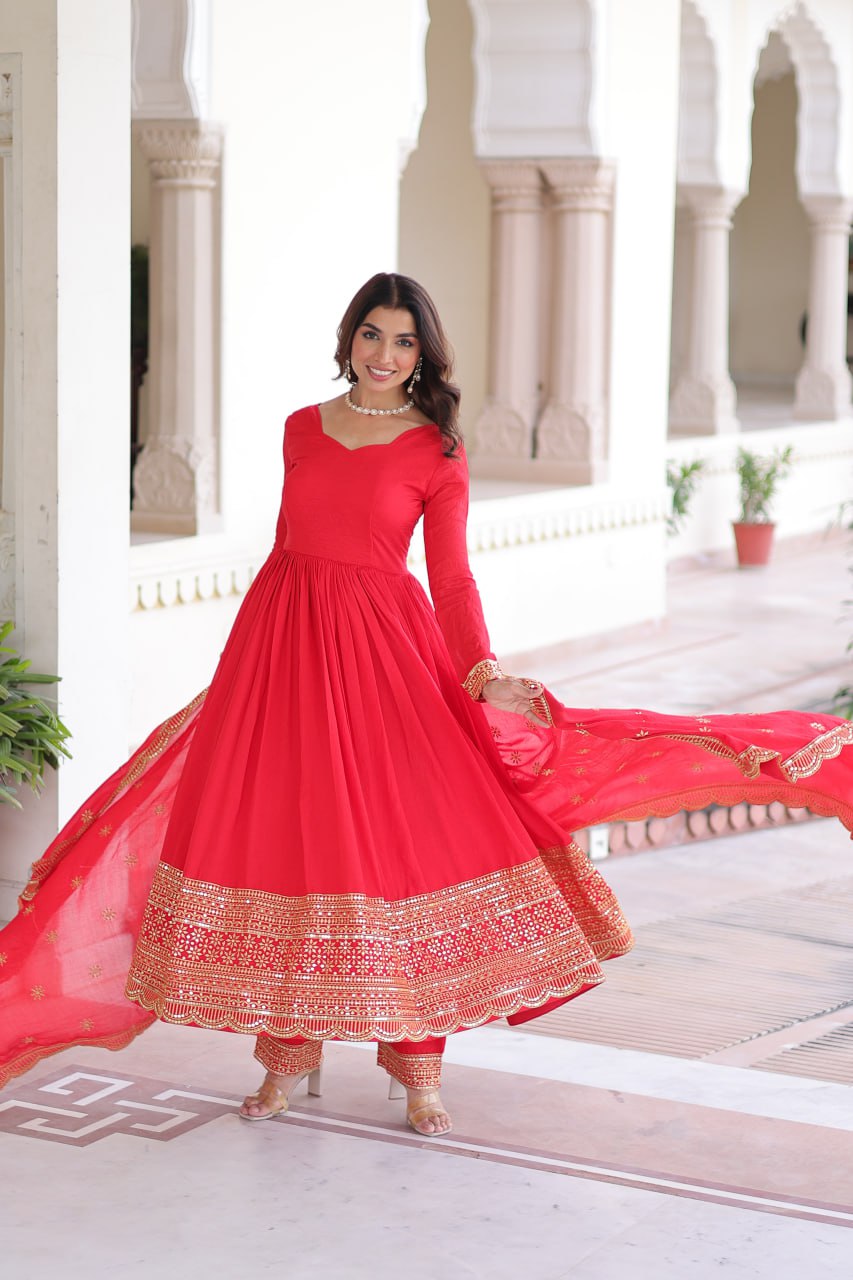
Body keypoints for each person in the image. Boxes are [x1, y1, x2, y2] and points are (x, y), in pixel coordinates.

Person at [1, 273, 852, 1138]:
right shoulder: (301, 428)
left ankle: (418, 1068)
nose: (383, 354)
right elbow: (288, 548)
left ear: (423, 355)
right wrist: (255, 663)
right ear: (351, 338)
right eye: (372, 334)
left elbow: (449, 577)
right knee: (292, 849)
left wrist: (480, 671)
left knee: (396, 854)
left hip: (383, 661)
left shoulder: (435, 452)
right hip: (282, 653)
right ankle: (285, 1062)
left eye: (403, 341)